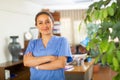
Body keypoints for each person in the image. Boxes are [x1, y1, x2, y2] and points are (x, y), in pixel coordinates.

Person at [23, 11, 73, 80]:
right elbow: (26, 62)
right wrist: (49, 58)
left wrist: (36, 66)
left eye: (47, 22)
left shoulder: (62, 41)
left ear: (52, 23)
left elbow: (61, 64)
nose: (44, 26)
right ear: (36, 26)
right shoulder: (32, 43)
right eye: (40, 23)